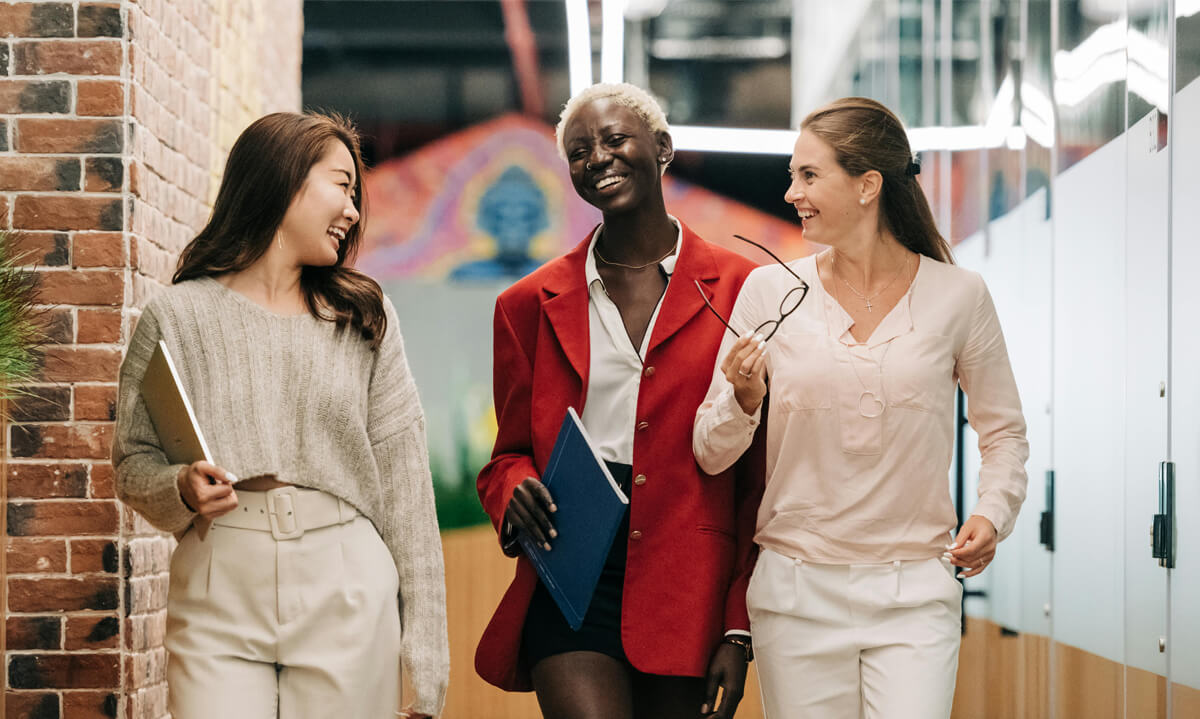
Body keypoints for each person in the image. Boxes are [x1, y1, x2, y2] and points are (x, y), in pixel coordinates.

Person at [693, 97, 1029, 719]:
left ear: (868, 185)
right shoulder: (769, 291)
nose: (791, 191)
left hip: (915, 595)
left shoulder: (959, 294)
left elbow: (1003, 432)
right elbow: (710, 452)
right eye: (793, 175)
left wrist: (993, 511)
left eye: (809, 175)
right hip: (795, 596)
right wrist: (742, 399)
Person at [112, 112, 449, 719]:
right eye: (340, 185)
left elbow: (407, 494)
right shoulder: (176, 318)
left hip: (346, 580)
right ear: (283, 179)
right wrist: (180, 487)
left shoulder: (363, 319)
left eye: (355, 194)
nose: (352, 209)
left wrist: (427, 670)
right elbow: (132, 463)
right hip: (219, 582)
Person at [474, 83, 766, 719]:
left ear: (661, 147)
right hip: (572, 566)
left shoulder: (744, 289)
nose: (597, 158)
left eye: (613, 139)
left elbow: (757, 478)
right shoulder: (526, 305)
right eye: (579, 152)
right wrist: (514, 485)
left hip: (689, 579)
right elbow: (506, 455)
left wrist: (738, 627)